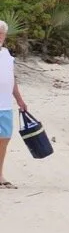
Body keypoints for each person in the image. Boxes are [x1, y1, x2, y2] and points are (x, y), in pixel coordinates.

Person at [0, 20, 30, 189]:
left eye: (1, 34)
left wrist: (19, 100)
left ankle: (0, 175)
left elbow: (11, 79)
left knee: (4, 139)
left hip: (5, 105)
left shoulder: (6, 54)